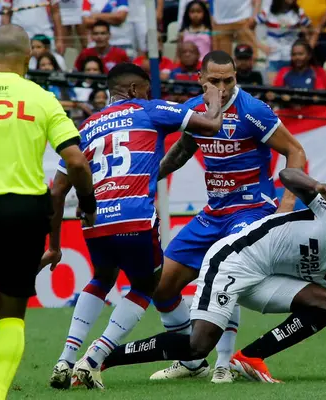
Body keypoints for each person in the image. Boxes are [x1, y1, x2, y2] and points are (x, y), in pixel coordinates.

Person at [98, 168, 326, 384]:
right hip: (236, 259)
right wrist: (315, 184)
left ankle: (248, 357)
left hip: (264, 280)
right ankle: (105, 357)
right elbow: (287, 177)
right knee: (198, 345)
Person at [130, 50, 306, 384]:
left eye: (229, 80)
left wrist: (285, 208)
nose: (222, 88)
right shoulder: (197, 110)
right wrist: (147, 182)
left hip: (252, 209)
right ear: (200, 78)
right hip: (214, 212)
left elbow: (295, 151)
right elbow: (183, 149)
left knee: (226, 270)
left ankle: (224, 362)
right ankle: (192, 360)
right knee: (161, 287)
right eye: (214, 80)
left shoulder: (253, 111)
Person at [45, 62, 223, 390]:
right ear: (133, 90)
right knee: (146, 286)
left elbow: (56, 191)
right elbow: (210, 124)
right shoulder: (148, 109)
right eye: (146, 89)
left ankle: (65, 358)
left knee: (101, 278)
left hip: (95, 220)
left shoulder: (84, 127)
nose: (149, 94)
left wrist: (54, 244)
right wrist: (212, 95)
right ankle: (93, 358)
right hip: (135, 218)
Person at [0, 24, 94, 400]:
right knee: (11, 310)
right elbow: (77, 163)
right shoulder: (42, 98)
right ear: (27, 59)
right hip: (23, 210)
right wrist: (87, 202)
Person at [257, 0, 312, 83]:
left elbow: (313, 30)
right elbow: (247, 28)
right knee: (273, 91)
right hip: (273, 58)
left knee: (290, 90)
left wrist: (307, 47)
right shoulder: (267, 11)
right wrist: (260, 46)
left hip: (292, 59)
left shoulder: (299, 12)